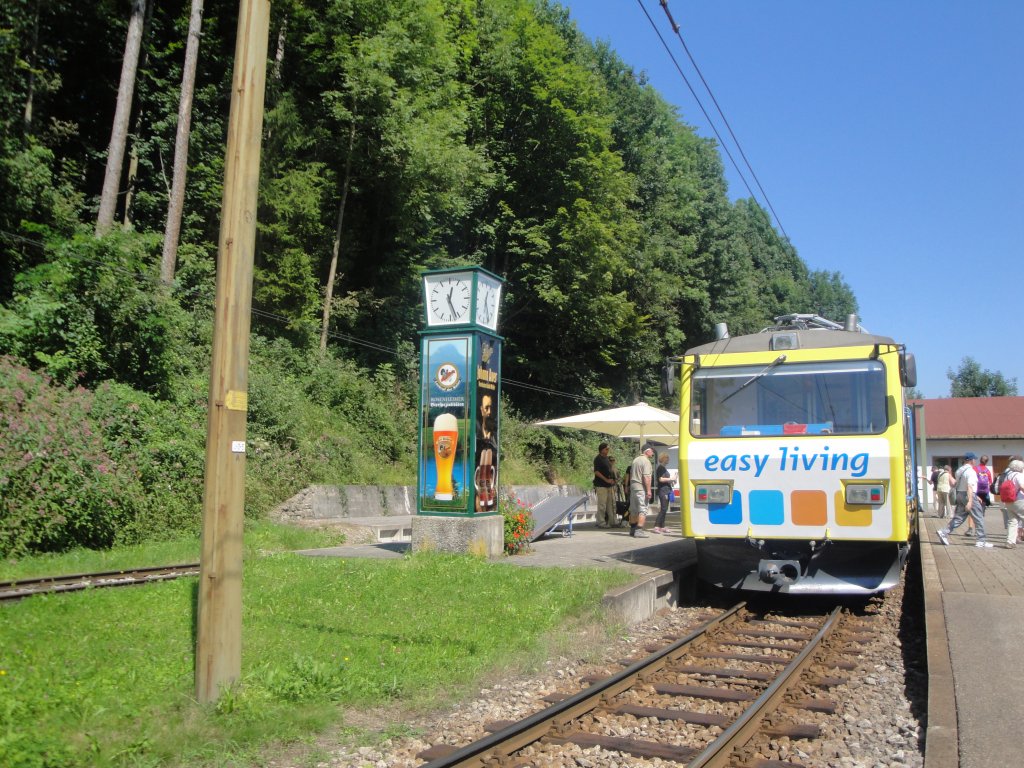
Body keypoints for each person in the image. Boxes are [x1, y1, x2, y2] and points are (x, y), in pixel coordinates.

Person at [937, 452, 993, 548]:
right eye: (974, 459)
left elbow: (955, 483)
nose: (975, 461)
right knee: (978, 517)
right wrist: (971, 501)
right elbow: (970, 486)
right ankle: (981, 541)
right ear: (971, 460)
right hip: (968, 495)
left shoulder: (959, 470)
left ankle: (944, 531)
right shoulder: (971, 471)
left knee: (959, 518)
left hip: (959, 494)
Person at [628, 443, 655, 538]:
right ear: (647, 451)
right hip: (641, 488)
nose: (653, 452)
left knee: (633, 510)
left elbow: (631, 475)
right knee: (642, 510)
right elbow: (646, 477)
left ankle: (632, 529)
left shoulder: (635, 460)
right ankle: (639, 530)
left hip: (633, 487)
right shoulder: (646, 461)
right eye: (652, 450)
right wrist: (648, 490)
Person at [999, 458, 1024, 549]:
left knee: (1012, 522)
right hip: (1019, 501)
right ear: (1020, 467)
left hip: (1009, 501)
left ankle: (1010, 542)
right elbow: (1022, 487)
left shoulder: (1008, 475)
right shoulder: (1019, 475)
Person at [592, 442, 617, 528]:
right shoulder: (598, 459)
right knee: (602, 505)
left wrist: (613, 479)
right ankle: (601, 522)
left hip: (609, 485)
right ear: (602, 449)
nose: (608, 450)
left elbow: (610, 470)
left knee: (611, 504)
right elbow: (596, 472)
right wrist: (606, 479)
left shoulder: (606, 458)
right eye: (606, 449)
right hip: (601, 485)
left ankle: (612, 521)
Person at [653, 452, 673, 533]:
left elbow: (664, 479)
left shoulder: (664, 468)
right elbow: (660, 479)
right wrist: (671, 479)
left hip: (666, 490)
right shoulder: (660, 468)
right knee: (663, 508)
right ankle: (657, 526)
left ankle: (662, 526)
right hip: (663, 491)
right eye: (667, 458)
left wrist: (671, 481)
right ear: (663, 459)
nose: (668, 459)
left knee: (665, 509)